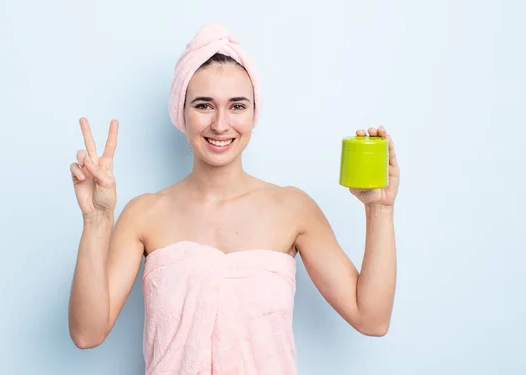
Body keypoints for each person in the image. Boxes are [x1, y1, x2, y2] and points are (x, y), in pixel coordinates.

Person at [68, 23, 399, 375]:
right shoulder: (144, 214)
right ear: (181, 113)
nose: (220, 124)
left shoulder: (292, 209)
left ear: (254, 114)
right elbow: (88, 334)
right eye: (203, 105)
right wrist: (96, 220)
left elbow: (372, 318)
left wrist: (380, 209)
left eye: (237, 106)